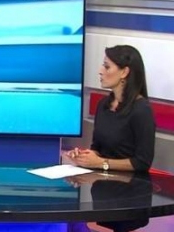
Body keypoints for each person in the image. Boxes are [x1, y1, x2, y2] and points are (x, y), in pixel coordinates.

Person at [65, 44, 155, 172]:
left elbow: (142, 162)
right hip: (100, 180)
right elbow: (97, 148)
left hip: (129, 183)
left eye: (107, 67)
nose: (100, 71)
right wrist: (83, 156)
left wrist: (101, 163)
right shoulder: (103, 105)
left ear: (124, 72)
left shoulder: (141, 110)